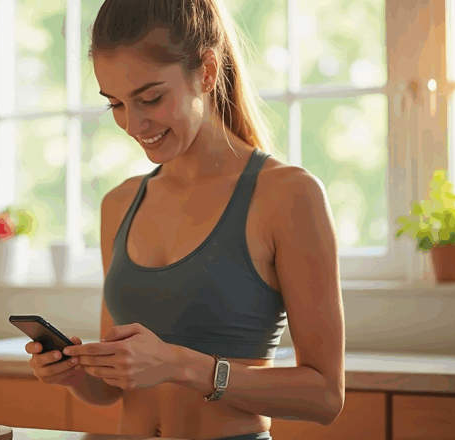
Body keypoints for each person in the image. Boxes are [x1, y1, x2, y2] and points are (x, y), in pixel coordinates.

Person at [25, 0, 346, 439]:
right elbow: (112, 391)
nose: (134, 124)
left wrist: (181, 365)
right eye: (115, 104)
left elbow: (325, 396)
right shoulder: (120, 204)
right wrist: (75, 373)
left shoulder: (288, 195)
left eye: (151, 98)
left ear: (207, 71)